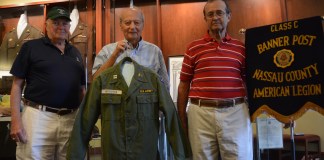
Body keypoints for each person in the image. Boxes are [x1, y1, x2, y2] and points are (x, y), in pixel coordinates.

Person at [177, 0, 253, 159]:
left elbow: (250, 83)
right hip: (200, 115)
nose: (215, 17)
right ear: (205, 18)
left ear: (229, 16)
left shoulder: (242, 48)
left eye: (219, 13)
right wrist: (181, 117)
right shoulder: (193, 48)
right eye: (210, 14)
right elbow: (183, 85)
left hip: (236, 113)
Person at [9, 6, 86, 160]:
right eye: (56, 22)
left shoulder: (76, 53)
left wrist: (84, 121)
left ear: (70, 27)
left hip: (70, 118)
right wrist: (16, 120)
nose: (61, 27)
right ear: (47, 25)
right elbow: (17, 85)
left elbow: (82, 90)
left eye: (65, 23)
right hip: (37, 117)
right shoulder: (31, 47)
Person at [92, 7, 169, 90]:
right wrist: (114, 56)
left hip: (146, 102)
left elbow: (165, 87)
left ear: (143, 25)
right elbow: (95, 82)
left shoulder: (154, 52)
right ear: (121, 25)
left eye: (136, 22)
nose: (132, 27)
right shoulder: (107, 51)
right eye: (128, 23)